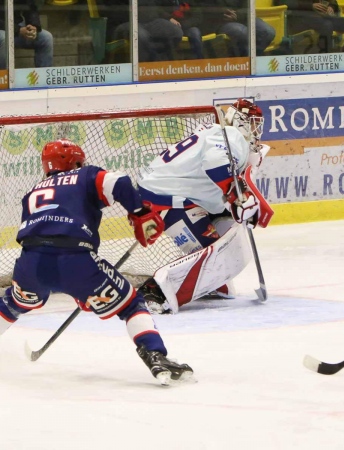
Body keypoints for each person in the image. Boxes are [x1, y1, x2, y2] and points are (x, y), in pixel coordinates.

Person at [0, 139, 193, 385]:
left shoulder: (32, 192)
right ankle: (155, 354)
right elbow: (120, 182)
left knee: (12, 304)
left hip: (30, 264)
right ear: (75, 161)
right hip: (76, 262)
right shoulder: (85, 175)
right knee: (131, 305)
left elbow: (41, 234)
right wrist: (140, 213)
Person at [135, 99, 271, 313]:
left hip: (174, 195)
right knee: (215, 260)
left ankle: (200, 283)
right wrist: (238, 197)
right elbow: (216, 165)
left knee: (220, 279)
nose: (256, 129)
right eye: (253, 123)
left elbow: (219, 185)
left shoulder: (218, 134)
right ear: (240, 121)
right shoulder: (231, 136)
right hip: (166, 198)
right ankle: (155, 291)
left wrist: (239, 202)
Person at [100, 0, 184, 62]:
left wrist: (168, 17)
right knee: (141, 36)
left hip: (149, 22)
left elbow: (154, 6)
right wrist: (134, 13)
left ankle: (158, 60)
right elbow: (109, 10)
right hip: (125, 22)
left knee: (176, 32)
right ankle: (149, 65)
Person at [199, 0, 276, 56]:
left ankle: (251, 59)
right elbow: (202, 8)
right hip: (220, 21)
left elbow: (248, 7)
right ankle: (244, 63)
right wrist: (223, 12)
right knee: (244, 34)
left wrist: (237, 15)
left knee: (268, 32)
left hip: (242, 17)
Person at [279, 0, 344, 53]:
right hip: (299, 18)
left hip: (322, 16)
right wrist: (311, 6)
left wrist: (331, 7)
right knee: (327, 25)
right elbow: (282, 2)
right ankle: (325, 57)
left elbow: (333, 2)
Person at [0, 0, 53, 69]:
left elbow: (30, 6)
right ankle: (4, 77)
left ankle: (44, 77)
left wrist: (33, 26)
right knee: (5, 38)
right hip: (6, 30)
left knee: (46, 38)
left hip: (15, 26)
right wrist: (18, 30)